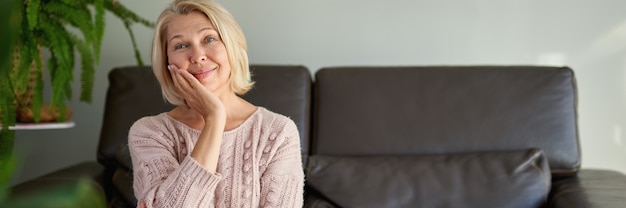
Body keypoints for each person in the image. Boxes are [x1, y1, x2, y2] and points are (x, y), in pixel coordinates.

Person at [127, 0, 304, 207]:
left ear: (232, 47)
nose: (198, 56)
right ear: (167, 63)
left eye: (209, 39)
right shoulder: (149, 133)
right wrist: (214, 118)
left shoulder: (279, 133)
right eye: (181, 45)